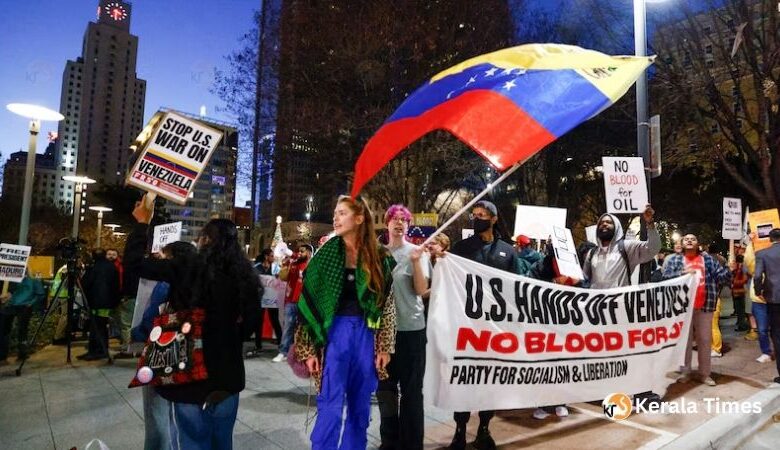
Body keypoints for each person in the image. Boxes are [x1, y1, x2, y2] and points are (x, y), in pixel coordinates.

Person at [125, 195, 259, 449]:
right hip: (227, 379)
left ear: (205, 240)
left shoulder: (187, 267)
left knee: (191, 441)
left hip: (189, 376)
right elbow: (248, 328)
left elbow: (134, 265)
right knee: (223, 442)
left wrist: (143, 223)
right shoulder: (245, 278)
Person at [293, 195, 396, 450]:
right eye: (335, 213)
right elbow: (307, 305)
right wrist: (308, 350)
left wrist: (384, 347)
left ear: (359, 218)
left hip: (366, 335)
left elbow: (387, 305)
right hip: (333, 337)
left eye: (342, 213)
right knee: (330, 405)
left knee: (360, 407)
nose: (335, 218)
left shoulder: (379, 257)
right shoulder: (326, 255)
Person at [447, 200, 520, 450]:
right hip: (467, 326)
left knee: (490, 380)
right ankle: (459, 430)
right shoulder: (461, 248)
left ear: (494, 219)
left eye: (482, 214)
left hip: (494, 329)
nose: (477, 218)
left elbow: (516, 287)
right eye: (475, 214)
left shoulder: (508, 252)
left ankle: (484, 429)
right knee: (465, 379)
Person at [131, 241, 198, 450]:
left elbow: (152, 317)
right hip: (190, 349)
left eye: (163, 256)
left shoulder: (166, 282)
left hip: (164, 350)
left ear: (172, 258)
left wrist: (137, 333)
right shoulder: (202, 279)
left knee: (157, 411)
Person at [377, 204, 431, 450]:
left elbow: (421, 290)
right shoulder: (377, 254)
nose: (399, 223)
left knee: (412, 392)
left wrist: (417, 262)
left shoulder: (416, 252)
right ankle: (389, 441)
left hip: (412, 331)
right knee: (386, 391)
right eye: (395, 219)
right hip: (384, 335)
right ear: (387, 223)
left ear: (408, 225)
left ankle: (411, 444)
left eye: (404, 220)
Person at [663, 233, 732, 386]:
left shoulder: (707, 260)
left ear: (698, 244)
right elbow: (666, 278)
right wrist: (682, 274)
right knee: (685, 342)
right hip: (683, 307)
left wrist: (729, 269)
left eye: (693, 239)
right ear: (682, 243)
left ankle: (704, 374)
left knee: (705, 340)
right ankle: (685, 372)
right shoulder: (675, 260)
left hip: (705, 306)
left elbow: (721, 277)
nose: (689, 240)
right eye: (686, 239)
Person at [582, 206, 661, 288]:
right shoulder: (592, 253)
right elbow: (585, 279)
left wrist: (650, 224)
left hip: (621, 296)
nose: (604, 224)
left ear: (617, 227)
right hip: (597, 296)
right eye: (601, 223)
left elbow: (653, 247)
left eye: (609, 222)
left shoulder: (627, 247)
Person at [273, 244, 312, 363]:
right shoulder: (293, 264)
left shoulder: (312, 265)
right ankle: (283, 352)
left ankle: (302, 353)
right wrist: (286, 265)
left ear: (309, 253)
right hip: (291, 301)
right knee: (288, 327)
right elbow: (283, 277)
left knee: (303, 329)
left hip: (305, 302)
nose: (299, 253)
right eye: (298, 251)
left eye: (302, 251)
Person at [79, 249, 121, 360]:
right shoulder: (112, 267)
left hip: (96, 302)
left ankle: (98, 351)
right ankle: (97, 350)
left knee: (96, 327)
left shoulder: (93, 268)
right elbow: (116, 285)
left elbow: (85, 284)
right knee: (101, 326)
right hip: (107, 303)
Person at [753, 228, 780, 383]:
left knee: (777, 334)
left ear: (770, 239)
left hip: (774, 298)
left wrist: (758, 291)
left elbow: (757, 276)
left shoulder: (762, 254)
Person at [0, 274, 45, 364]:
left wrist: (31, 303)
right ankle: (4, 356)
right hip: (9, 305)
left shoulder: (32, 278)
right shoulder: (9, 275)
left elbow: (40, 294)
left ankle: (21, 353)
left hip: (22, 306)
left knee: (21, 330)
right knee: (6, 330)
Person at [247, 248, 282, 356]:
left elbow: (282, 278)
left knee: (275, 321)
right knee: (258, 322)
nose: (273, 258)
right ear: (266, 257)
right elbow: (251, 280)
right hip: (260, 300)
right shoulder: (256, 267)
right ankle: (258, 345)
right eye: (271, 255)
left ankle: (281, 344)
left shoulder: (276, 268)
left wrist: (279, 277)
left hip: (272, 300)